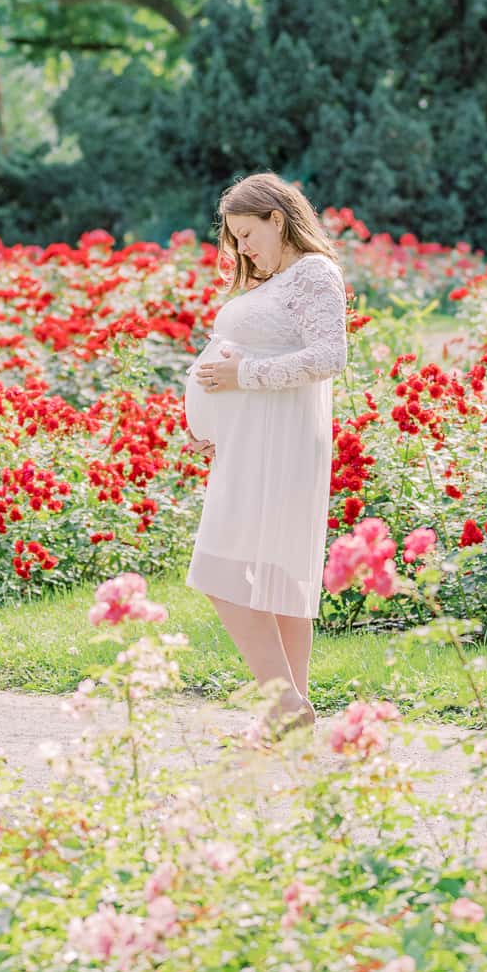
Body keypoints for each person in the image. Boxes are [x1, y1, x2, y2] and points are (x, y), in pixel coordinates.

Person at [182, 171, 349, 738]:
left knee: (220, 565)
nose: (242, 248)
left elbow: (330, 356)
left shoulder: (314, 273)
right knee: (275, 576)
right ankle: (292, 711)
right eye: (235, 239)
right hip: (252, 438)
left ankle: (283, 702)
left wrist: (241, 375)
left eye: (247, 234)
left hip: (282, 440)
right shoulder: (277, 280)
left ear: (278, 219)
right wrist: (212, 420)